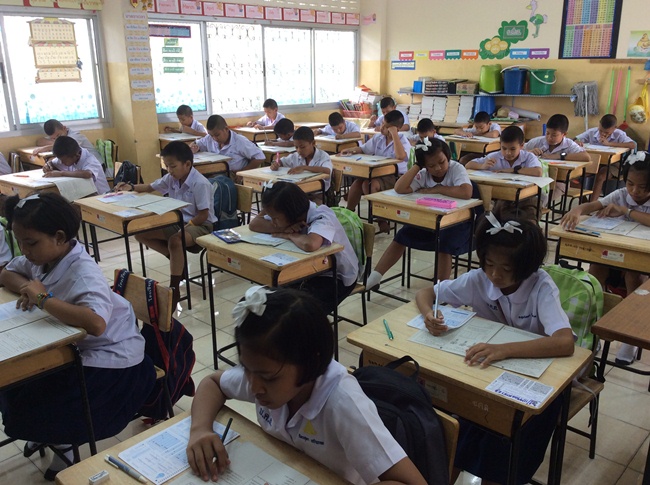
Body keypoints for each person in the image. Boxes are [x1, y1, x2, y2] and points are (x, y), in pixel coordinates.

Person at [186, 286, 426, 485]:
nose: (254, 387)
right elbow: (212, 383)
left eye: (268, 378)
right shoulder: (263, 374)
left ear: (310, 363)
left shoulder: (344, 404)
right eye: (246, 369)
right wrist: (200, 429)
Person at [0, 193, 154, 481]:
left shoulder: (83, 272)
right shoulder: (43, 258)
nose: (24, 250)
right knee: (17, 382)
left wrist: (42, 298)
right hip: (71, 344)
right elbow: (7, 273)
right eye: (20, 242)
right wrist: (29, 288)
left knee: (39, 397)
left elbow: (96, 324)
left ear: (59, 237)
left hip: (112, 360)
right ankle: (48, 434)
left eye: (30, 242)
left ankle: (63, 444)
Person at [415, 212, 575, 485]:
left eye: (506, 269)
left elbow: (564, 342)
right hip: (485, 374)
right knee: (455, 431)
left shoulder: (541, 286)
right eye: (489, 264)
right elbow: (426, 293)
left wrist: (504, 349)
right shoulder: (479, 279)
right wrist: (429, 314)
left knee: (503, 449)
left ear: (526, 267)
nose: (495, 274)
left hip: (532, 381)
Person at [561, 151, 650, 365]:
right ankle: (595, 328)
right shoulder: (620, 194)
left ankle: (629, 336)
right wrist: (577, 210)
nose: (634, 191)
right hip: (615, 251)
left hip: (640, 260)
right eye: (630, 184)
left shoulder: (624, 202)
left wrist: (625, 211)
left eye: (642, 187)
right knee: (596, 269)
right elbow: (592, 206)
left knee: (634, 275)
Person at [115, 141, 216, 307]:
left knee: (175, 241)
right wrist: (130, 187)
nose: (169, 170)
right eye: (167, 166)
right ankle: (175, 260)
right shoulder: (171, 178)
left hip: (200, 225)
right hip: (177, 221)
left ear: (187, 164)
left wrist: (185, 227)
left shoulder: (200, 183)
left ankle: (174, 287)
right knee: (139, 232)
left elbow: (204, 215)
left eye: (173, 166)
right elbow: (150, 187)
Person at [366, 138, 473, 289]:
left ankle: (440, 290)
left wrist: (437, 189)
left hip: (458, 224)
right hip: (431, 222)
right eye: (431, 166)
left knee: (444, 244)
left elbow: (466, 192)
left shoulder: (456, 168)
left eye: (442, 162)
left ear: (448, 157)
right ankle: (375, 277)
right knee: (402, 235)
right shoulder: (423, 174)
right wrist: (417, 166)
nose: (438, 168)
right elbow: (400, 188)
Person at [249, 182, 358, 314]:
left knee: (299, 310)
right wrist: (284, 228)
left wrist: (289, 235)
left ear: (290, 212)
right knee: (272, 303)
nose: (273, 223)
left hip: (336, 277)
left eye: (275, 219)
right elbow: (254, 224)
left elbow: (311, 244)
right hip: (308, 272)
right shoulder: (286, 213)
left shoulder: (322, 215)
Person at [340, 110, 411, 232]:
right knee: (358, 183)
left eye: (386, 126)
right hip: (377, 173)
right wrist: (351, 150)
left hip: (395, 177)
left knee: (370, 184)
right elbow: (364, 149)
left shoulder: (403, 141)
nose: (381, 127)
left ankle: (380, 218)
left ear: (396, 129)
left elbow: (401, 156)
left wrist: (394, 135)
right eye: (382, 123)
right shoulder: (379, 138)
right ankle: (349, 213)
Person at [575, 114, 636, 202]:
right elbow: (575, 139)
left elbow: (632, 145)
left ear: (614, 128)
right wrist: (577, 142)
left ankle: (592, 203)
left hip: (614, 165)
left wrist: (609, 144)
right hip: (595, 162)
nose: (603, 134)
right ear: (599, 124)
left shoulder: (619, 134)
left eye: (607, 133)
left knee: (601, 175)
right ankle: (584, 200)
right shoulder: (592, 132)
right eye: (601, 130)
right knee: (574, 174)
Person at [191, 115, 265, 175]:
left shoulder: (240, 141)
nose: (214, 138)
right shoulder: (209, 138)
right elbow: (196, 143)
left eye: (217, 135)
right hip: (214, 174)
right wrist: (193, 147)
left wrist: (242, 173)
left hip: (232, 176)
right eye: (211, 135)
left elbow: (260, 156)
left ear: (226, 129)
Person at [270, 126, 333, 194]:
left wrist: (304, 168)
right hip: (300, 190)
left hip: (318, 192)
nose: (299, 150)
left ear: (313, 143)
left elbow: (327, 170)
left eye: (302, 147)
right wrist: (276, 164)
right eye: (296, 147)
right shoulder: (296, 156)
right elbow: (281, 161)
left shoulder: (323, 156)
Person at [44, 136, 110, 195]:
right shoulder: (68, 155)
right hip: (84, 194)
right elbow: (53, 162)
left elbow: (87, 174)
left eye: (63, 160)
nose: (61, 162)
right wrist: (48, 165)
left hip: (101, 196)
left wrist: (61, 173)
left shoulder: (90, 160)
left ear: (76, 155)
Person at [466, 126, 541, 176]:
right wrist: (482, 166)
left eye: (513, 149)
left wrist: (513, 170)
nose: (508, 153)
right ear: (500, 145)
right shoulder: (494, 157)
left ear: (521, 146)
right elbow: (468, 165)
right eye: (504, 148)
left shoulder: (528, 157)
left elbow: (538, 172)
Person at [524, 114, 591, 162]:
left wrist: (558, 156)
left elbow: (586, 157)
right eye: (547, 133)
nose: (549, 138)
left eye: (554, 135)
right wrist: (529, 152)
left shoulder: (569, 144)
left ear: (564, 134)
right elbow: (519, 151)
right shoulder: (538, 141)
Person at [33, 119, 102, 162]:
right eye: (53, 138)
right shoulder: (59, 134)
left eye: (58, 136)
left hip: (96, 165)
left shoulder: (76, 136)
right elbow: (39, 141)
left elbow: (65, 147)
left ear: (64, 128)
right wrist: (55, 142)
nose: (57, 139)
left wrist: (46, 148)